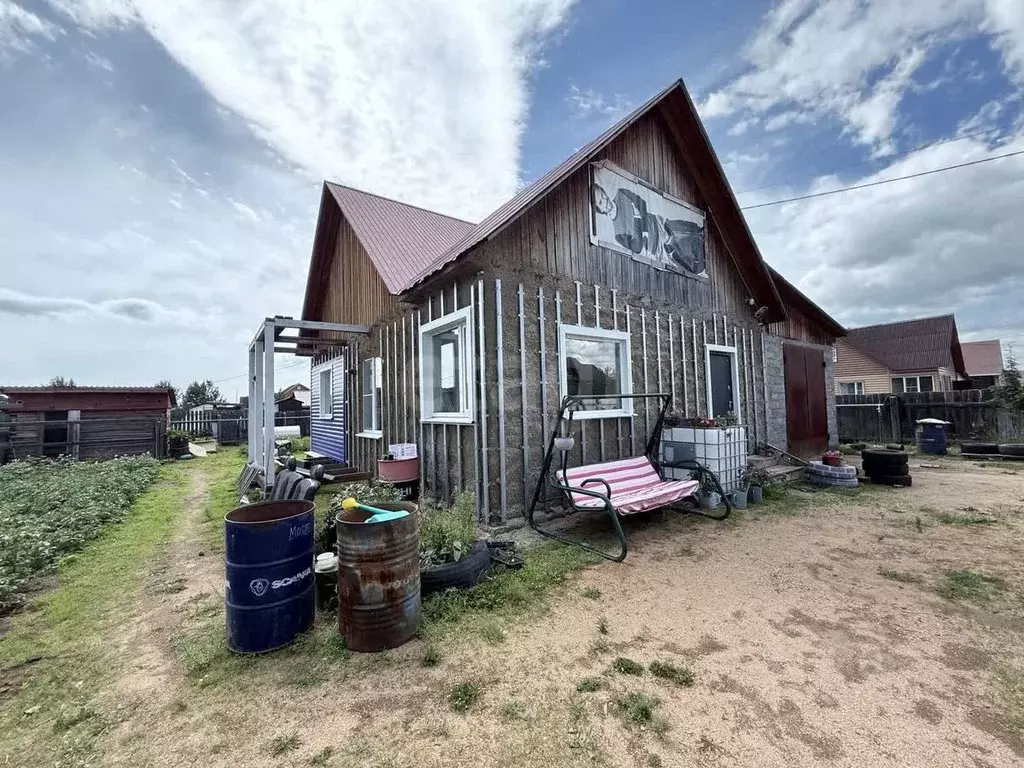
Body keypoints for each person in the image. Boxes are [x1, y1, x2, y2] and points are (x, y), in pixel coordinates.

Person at [592, 183, 659, 255]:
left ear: (605, 192)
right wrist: (637, 217)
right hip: (657, 247)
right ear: (600, 210)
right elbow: (637, 248)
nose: (605, 200)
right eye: (600, 202)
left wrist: (644, 231)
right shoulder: (618, 235)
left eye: (603, 195)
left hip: (658, 223)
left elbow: (642, 203)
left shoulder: (621, 193)